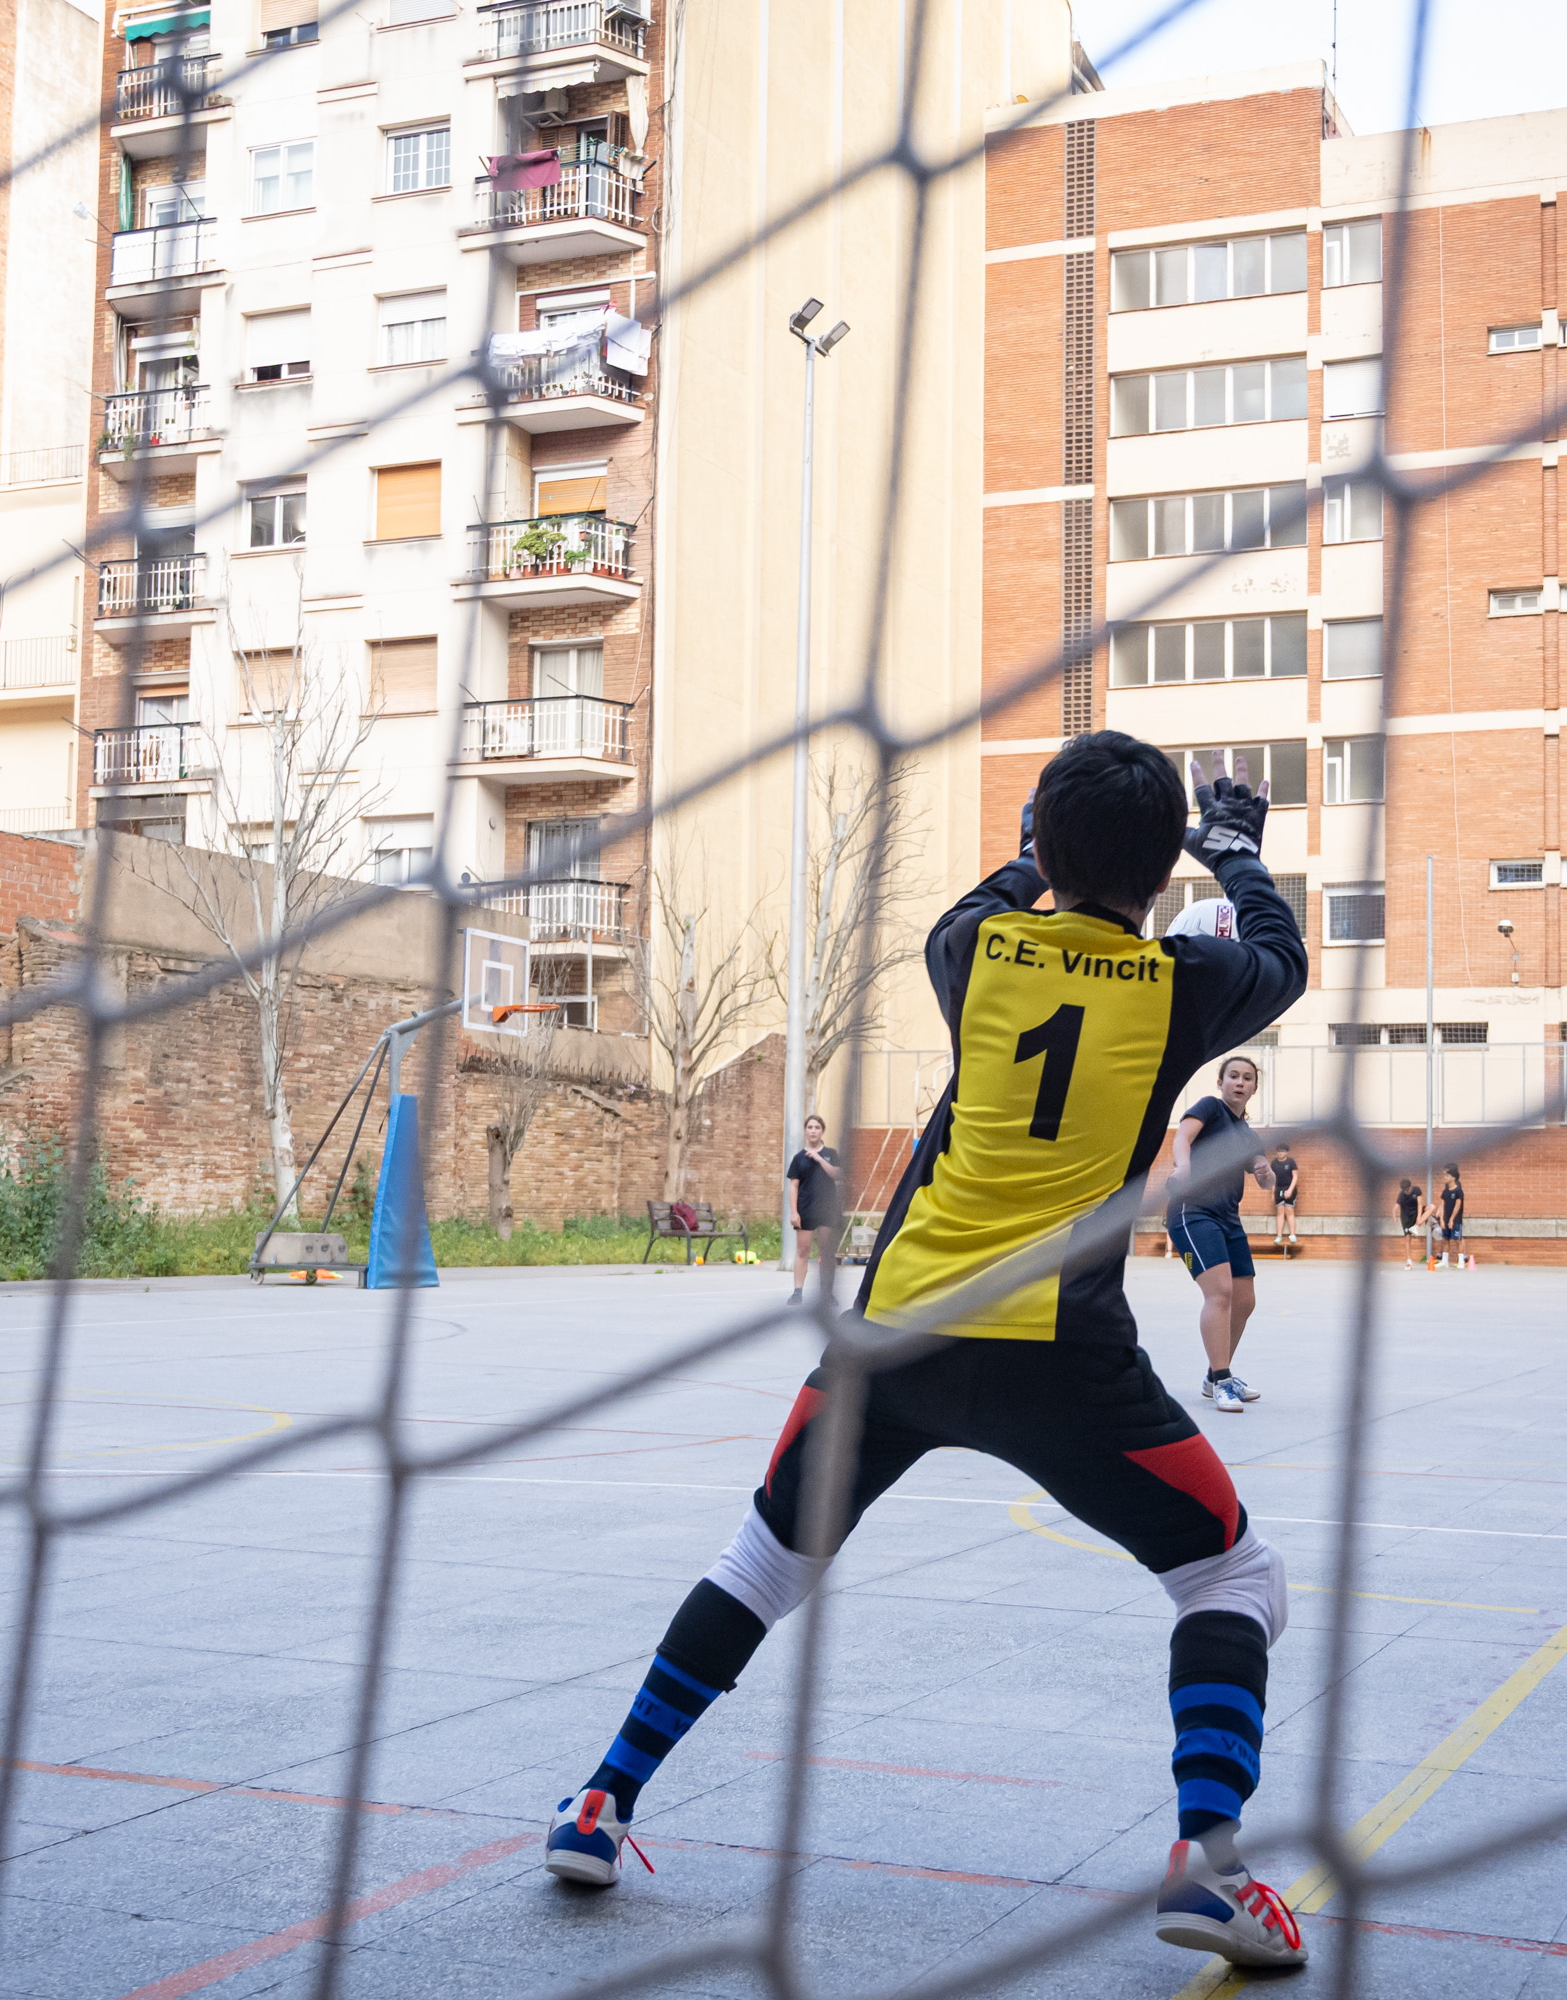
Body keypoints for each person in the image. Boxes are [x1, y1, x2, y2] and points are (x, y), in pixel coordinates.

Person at [543, 733, 1312, 1971]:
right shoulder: (1184, 983)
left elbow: (997, 893)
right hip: (1058, 1348)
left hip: (891, 1331)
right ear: (1160, 865)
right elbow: (1280, 954)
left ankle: (600, 1801)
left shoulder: (972, 951)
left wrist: (1040, 846)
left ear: (1042, 841)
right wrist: (1232, 850)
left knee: (761, 1561)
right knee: (1231, 1577)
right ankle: (1207, 1862)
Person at [1166, 1054, 1275, 1411]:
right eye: (1233, 1076)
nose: (1240, 1082)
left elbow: (1264, 1176)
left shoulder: (1248, 1135)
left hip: (1229, 1218)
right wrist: (1183, 1166)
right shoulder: (1210, 1108)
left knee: (1244, 1300)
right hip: (1193, 1210)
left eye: (1247, 1078)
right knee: (1220, 1292)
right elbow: (1183, 1136)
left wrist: (1267, 1173)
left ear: (1254, 1088)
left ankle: (1214, 1376)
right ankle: (1223, 1380)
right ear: (1220, 1082)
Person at [784, 1115, 843, 1303]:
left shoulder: (831, 1154)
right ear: (805, 1130)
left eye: (817, 1127)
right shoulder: (798, 1158)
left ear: (822, 1131)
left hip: (827, 1209)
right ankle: (797, 1292)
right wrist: (794, 1212)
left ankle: (827, 1293)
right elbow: (793, 1186)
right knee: (802, 1251)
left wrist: (819, 1158)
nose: (813, 1131)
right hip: (805, 1209)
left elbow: (837, 1174)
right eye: (810, 1127)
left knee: (827, 1253)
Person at [1266, 1143, 1299, 1250]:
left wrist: (1290, 1190)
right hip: (1278, 1189)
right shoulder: (1274, 1163)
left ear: (1286, 1152)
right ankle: (1279, 1236)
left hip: (1289, 1189)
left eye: (1283, 1151)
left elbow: (1295, 1177)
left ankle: (1292, 1235)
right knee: (1280, 1212)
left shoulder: (1291, 1162)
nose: (1280, 1153)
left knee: (1289, 1211)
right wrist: (1273, 1193)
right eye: (1279, 1151)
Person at [1437, 1163, 1468, 1269]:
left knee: (1458, 1240)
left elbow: (1457, 1206)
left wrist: (1451, 1219)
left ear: (1453, 1178)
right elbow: (1442, 1205)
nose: (1444, 1177)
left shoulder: (1458, 1191)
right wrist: (1442, 1220)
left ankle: (1461, 1261)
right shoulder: (1445, 1191)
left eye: (1447, 1176)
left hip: (1456, 1220)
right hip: (1445, 1219)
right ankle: (1444, 1261)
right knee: (1446, 1240)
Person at [1393, 1177, 1421, 1263]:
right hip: (1406, 1217)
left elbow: (1420, 1204)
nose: (1406, 1192)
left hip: (1415, 1213)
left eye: (1407, 1190)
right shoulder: (1401, 1195)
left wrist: (1419, 1217)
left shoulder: (1416, 1190)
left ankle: (1415, 1227)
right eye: (1404, 1191)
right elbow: (1395, 1207)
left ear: (1410, 1186)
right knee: (1407, 1238)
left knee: (1431, 1207)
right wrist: (1395, 1217)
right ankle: (1409, 1260)